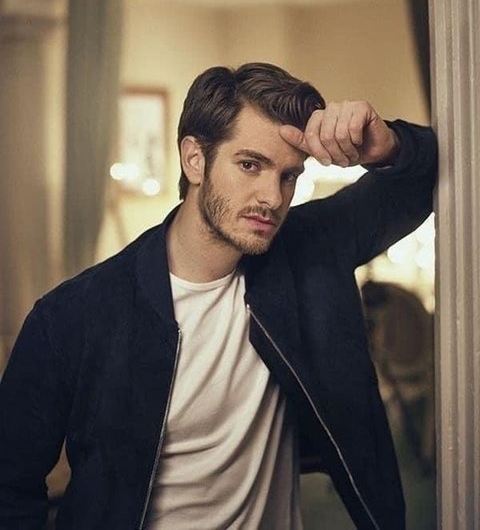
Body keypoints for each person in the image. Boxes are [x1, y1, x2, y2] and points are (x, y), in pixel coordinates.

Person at [0, 62, 437, 530]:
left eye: (288, 176)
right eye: (250, 165)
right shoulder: (72, 316)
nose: (272, 197)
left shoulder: (308, 254)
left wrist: (388, 144)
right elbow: (9, 485)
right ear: (194, 159)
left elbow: (428, 174)